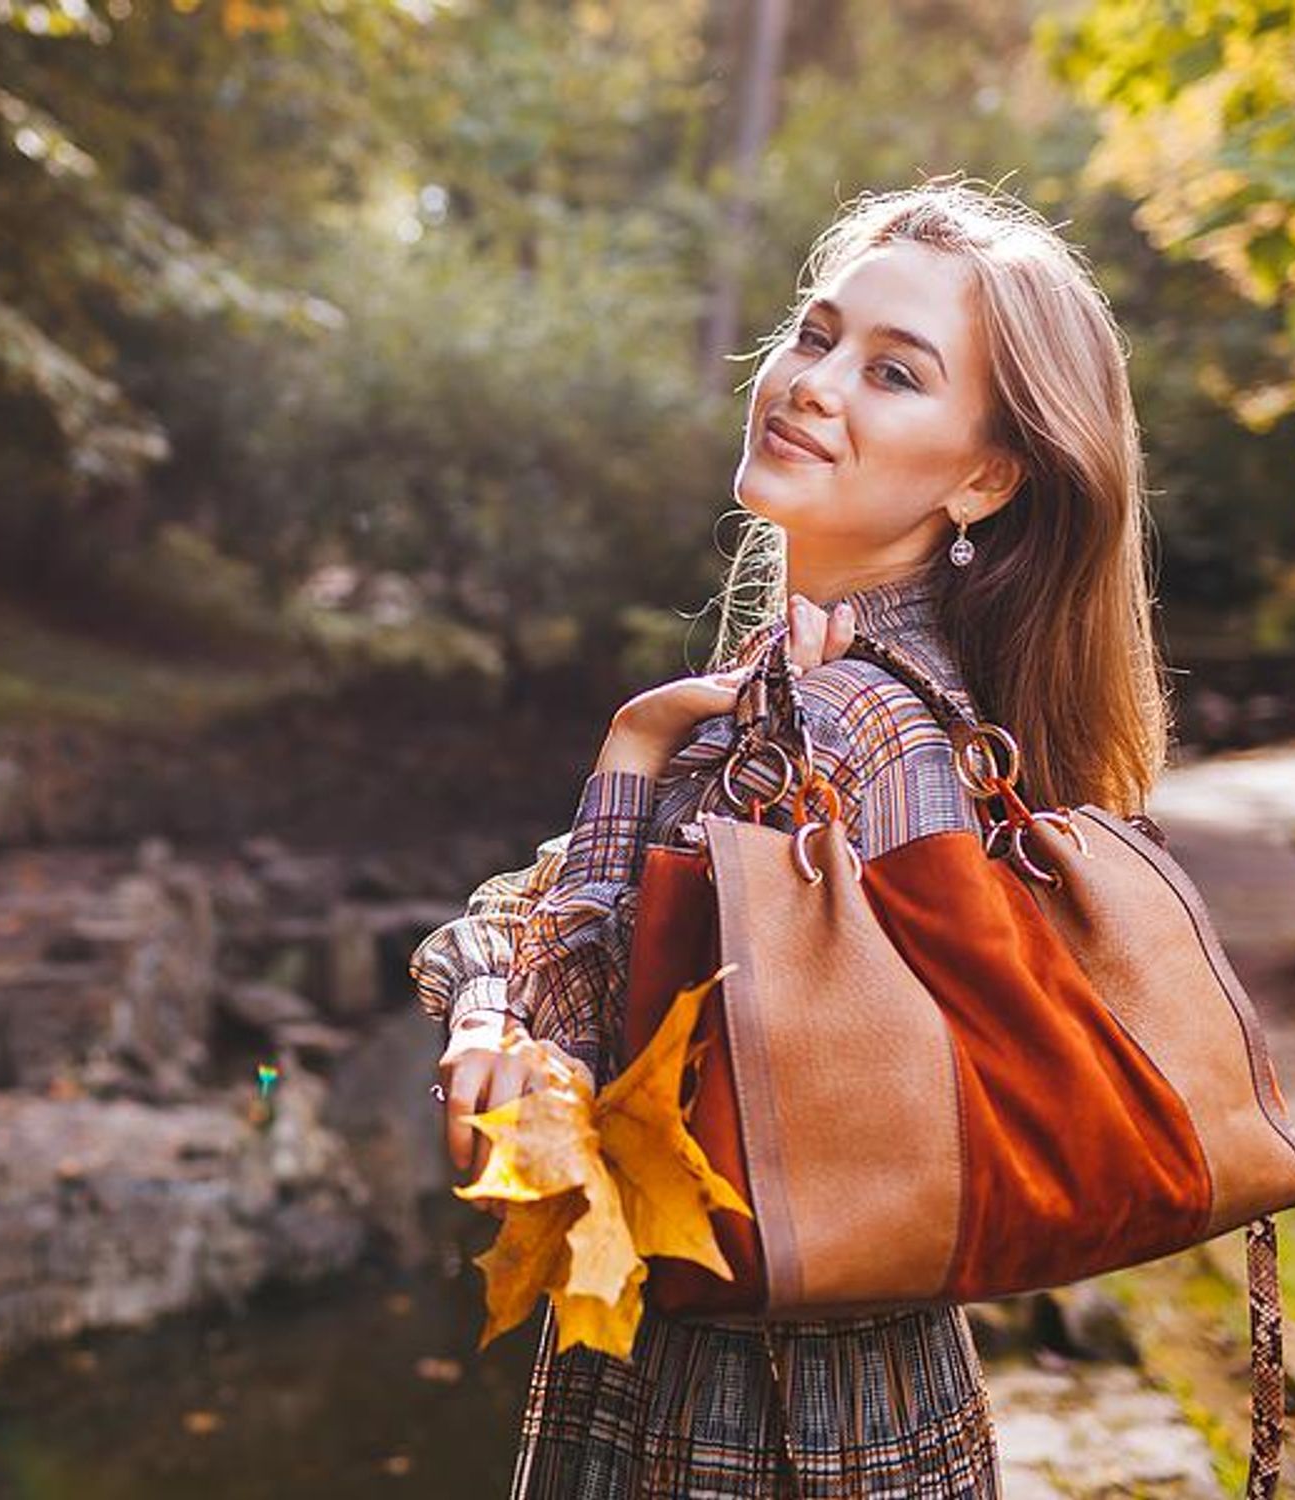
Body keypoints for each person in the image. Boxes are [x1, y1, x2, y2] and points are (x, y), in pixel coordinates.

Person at [411, 176, 1168, 1499]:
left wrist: (628, 754)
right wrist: (494, 982)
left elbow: (586, 1062)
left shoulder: (841, 722)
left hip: (743, 1429)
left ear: (987, 475)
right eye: (817, 337)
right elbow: (524, 918)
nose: (815, 382)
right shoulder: (849, 690)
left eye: (893, 372)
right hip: (854, 1404)